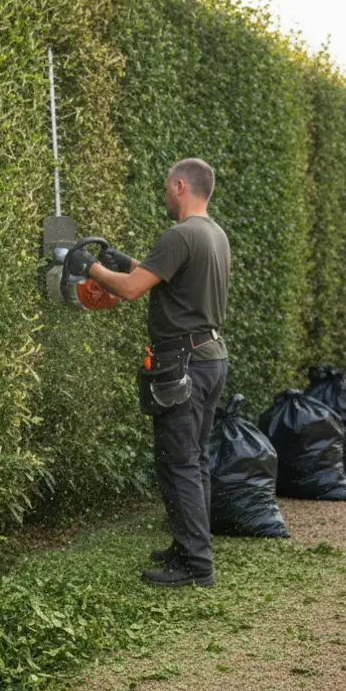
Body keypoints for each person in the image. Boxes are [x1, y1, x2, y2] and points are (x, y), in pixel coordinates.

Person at [69, 158, 230, 587]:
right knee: (194, 460)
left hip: (184, 362)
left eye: (166, 187)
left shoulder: (181, 234)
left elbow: (131, 289)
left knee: (179, 463)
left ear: (180, 186)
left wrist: (88, 265)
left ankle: (196, 565)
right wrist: (126, 261)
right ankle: (188, 546)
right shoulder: (214, 234)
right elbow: (169, 280)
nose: (165, 195)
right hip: (210, 356)